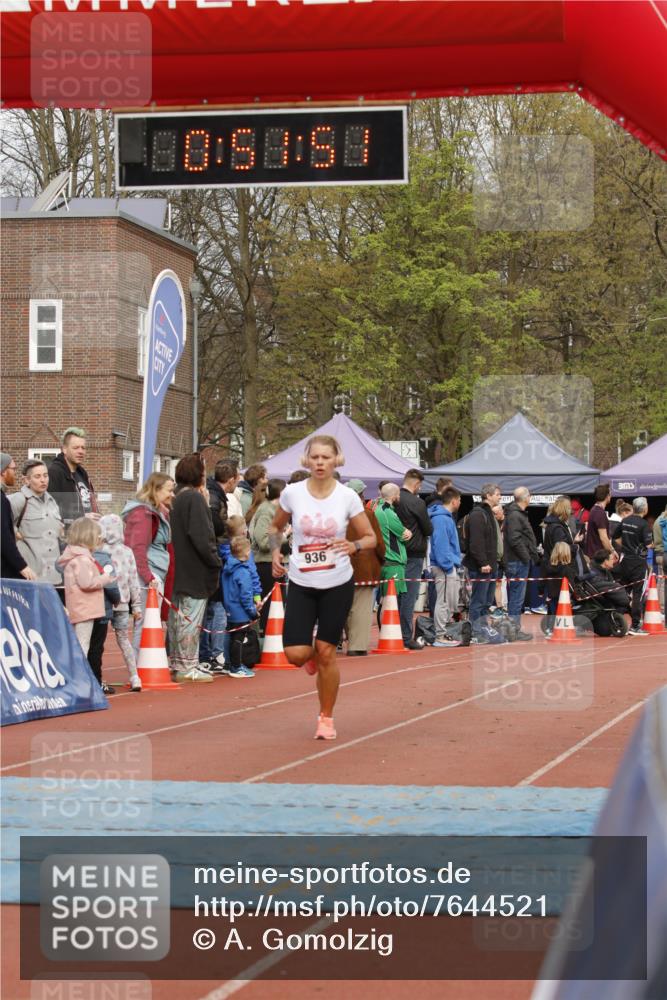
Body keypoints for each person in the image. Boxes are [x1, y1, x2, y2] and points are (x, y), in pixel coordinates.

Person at [269, 434, 376, 740]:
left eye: (325, 458)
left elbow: (370, 538)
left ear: (336, 460)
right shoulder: (292, 493)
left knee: (327, 652)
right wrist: (277, 550)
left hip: (337, 582)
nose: (319, 463)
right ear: (307, 460)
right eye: (314, 457)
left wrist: (353, 545)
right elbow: (275, 527)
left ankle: (325, 717)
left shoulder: (347, 497)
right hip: (302, 580)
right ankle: (311, 657)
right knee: (296, 654)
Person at [168, 454, 222, 681]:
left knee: (176, 618)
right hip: (193, 570)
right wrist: (214, 559)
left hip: (175, 568)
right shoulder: (194, 499)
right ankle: (187, 666)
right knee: (190, 619)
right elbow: (202, 535)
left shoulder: (174, 497)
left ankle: (176, 662)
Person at [122, 472, 174, 656]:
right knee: (144, 623)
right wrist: (148, 576)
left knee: (148, 622)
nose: (172, 494)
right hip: (148, 575)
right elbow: (137, 549)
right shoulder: (143, 515)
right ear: (156, 490)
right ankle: (138, 665)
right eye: (169, 490)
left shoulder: (155, 513)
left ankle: (142, 665)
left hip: (154, 572)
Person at [57, 517, 114, 658]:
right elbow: (87, 583)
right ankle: (80, 676)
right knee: (83, 645)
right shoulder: (82, 559)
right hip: (85, 609)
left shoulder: (73, 557)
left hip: (78, 607)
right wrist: (105, 578)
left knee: (78, 643)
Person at [100, 514, 143, 692]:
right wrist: (137, 605)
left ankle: (97, 675)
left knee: (99, 640)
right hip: (123, 602)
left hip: (103, 602)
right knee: (123, 639)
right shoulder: (127, 551)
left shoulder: (99, 550)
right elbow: (134, 580)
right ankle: (134, 676)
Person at [344, 479, 386, 656]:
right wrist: (382, 559)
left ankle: (345, 639)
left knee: (344, 606)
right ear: (361, 495)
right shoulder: (367, 514)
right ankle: (357, 645)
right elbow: (378, 542)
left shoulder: (336, 513)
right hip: (364, 568)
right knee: (361, 607)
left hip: (340, 567)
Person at [8, 458, 63, 584]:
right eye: (37, 476)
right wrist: (14, 531)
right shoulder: (18, 500)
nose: (43, 480)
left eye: (45, 475)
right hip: (30, 577)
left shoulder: (52, 502)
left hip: (54, 577)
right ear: (27, 480)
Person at [395, 469, 432, 649]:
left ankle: (394, 632)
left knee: (395, 596)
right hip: (413, 553)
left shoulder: (392, 500)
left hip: (395, 553)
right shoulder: (417, 503)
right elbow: (428, 529)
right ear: (416, 484)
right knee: (409, 596)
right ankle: (406, 636)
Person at [464, 482, 502, 637]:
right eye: (498, 494)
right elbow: (476, 543)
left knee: (486, 601)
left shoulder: (488, 514)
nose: (500, 497)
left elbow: (493, 542)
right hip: (483, 567)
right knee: (478, 600)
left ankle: (483, 628)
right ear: (488, 495)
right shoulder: (478, 515)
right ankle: (476, 630)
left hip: (491, 565)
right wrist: (483, 563)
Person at [611, 496, 653, 635]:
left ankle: (615, 616)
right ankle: (635, 625)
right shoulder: (644, 524)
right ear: (645, 509)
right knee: (637, 594)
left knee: (623, 589)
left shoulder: (625, 520)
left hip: (625, 560)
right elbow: (649, 545)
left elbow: (615, 538)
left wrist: (626, 547)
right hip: (638, 563)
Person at [249, 478, 286, 633]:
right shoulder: (266, 510)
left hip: (273, 563)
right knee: (269, 607)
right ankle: (266, 637)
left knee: (276, 606)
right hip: (265, 565)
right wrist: (284, 535)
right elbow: (263, 541)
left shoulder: (276, 510)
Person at [503, 486, 539, 640]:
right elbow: (515, 539)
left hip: (517, 560)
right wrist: (526, 557)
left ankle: (513, 629)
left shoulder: (515, 514)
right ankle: (513, 631)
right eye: (529, 495)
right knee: (517, 598)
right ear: (526, 497)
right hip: (517, 561)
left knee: (516, 597)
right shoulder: (516, 515)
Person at [428, 486, 462, 644]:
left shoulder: (443, 518)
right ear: (454, 501)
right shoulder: (442, 519)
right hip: (444, 566)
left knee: (447, 601)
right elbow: (441, 545)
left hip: (445, 565)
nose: (460, 503)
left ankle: (442, 633)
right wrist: (449, 565)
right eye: (460, 500)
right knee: (443, 601)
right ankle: (440, 636)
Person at [222, 536, 260, 677]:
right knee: (238, 638)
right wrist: (252, 612)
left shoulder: (227, 568)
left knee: (230, 637)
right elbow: (245, 595)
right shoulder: (243, 571)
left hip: (229, 608)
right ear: (246, 553)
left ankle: (229, 664)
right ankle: (236, 666)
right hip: (240, 611)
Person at [88, 536, 121, 696]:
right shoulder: (104, 559)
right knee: (96, 648)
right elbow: (111, 584)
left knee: (82, 646)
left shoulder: (74, 557)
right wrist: (117, 599)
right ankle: (96, 681)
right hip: (101, 609)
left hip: (80, 610)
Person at [47, 427, 98, 528]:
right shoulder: (54, 473)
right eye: (76, 448)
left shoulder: (82, 473)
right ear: (64, 449)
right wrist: (81, 517)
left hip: (86, 535)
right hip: (67, 537)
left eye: (83, 448)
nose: (81, 451)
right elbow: (51, 509)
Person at [375, 483, 411, 623]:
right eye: (399, 495)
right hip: (393, 562)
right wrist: (407, 532)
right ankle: (387, 634)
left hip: (390, 561)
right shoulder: (387, 512)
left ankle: (387, 633)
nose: (399, 497)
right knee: (390, 601)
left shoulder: (382, 510)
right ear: (395, 495)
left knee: (388, 600)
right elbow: (404, 534)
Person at [1, 453, 38, 581]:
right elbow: (3, 537)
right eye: (13, 469)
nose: (15, 473)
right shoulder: (1, 500)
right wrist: (22, 567)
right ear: (3, 471)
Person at [585, 484, 613, 557]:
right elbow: (603, 538)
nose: (611, 496)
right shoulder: (599, 512)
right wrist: (612, 552)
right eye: (610, 494)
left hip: (594, 554)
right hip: (598, 556)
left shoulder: (594, 509)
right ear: (607, 496)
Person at [652, 501, 667, 613]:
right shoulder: (664, 521)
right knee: (662, 582)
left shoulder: (658, 520)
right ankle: (662, 608)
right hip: (663, 552)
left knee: (661, 581)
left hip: (658, 553)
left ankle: (660, 607)